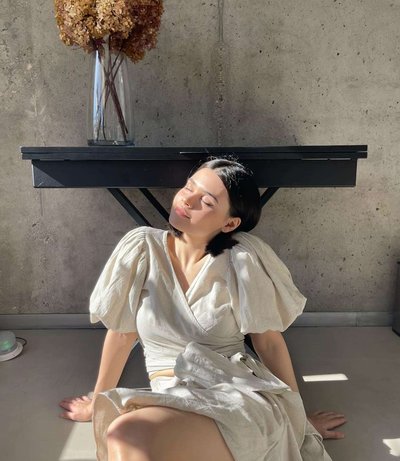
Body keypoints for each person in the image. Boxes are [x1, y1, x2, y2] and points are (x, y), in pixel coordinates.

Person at [59, 158, 346, 461]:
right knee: (125, 436)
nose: (188, 200)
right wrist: (97, 403)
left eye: (206, 201)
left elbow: (269, 343)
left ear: (230, 223)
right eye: (188, 187)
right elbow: (120, 335)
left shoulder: (242, 259)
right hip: (171, 395)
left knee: (125, 433)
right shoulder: (142, 248)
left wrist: (298, 421)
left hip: (234, 394)